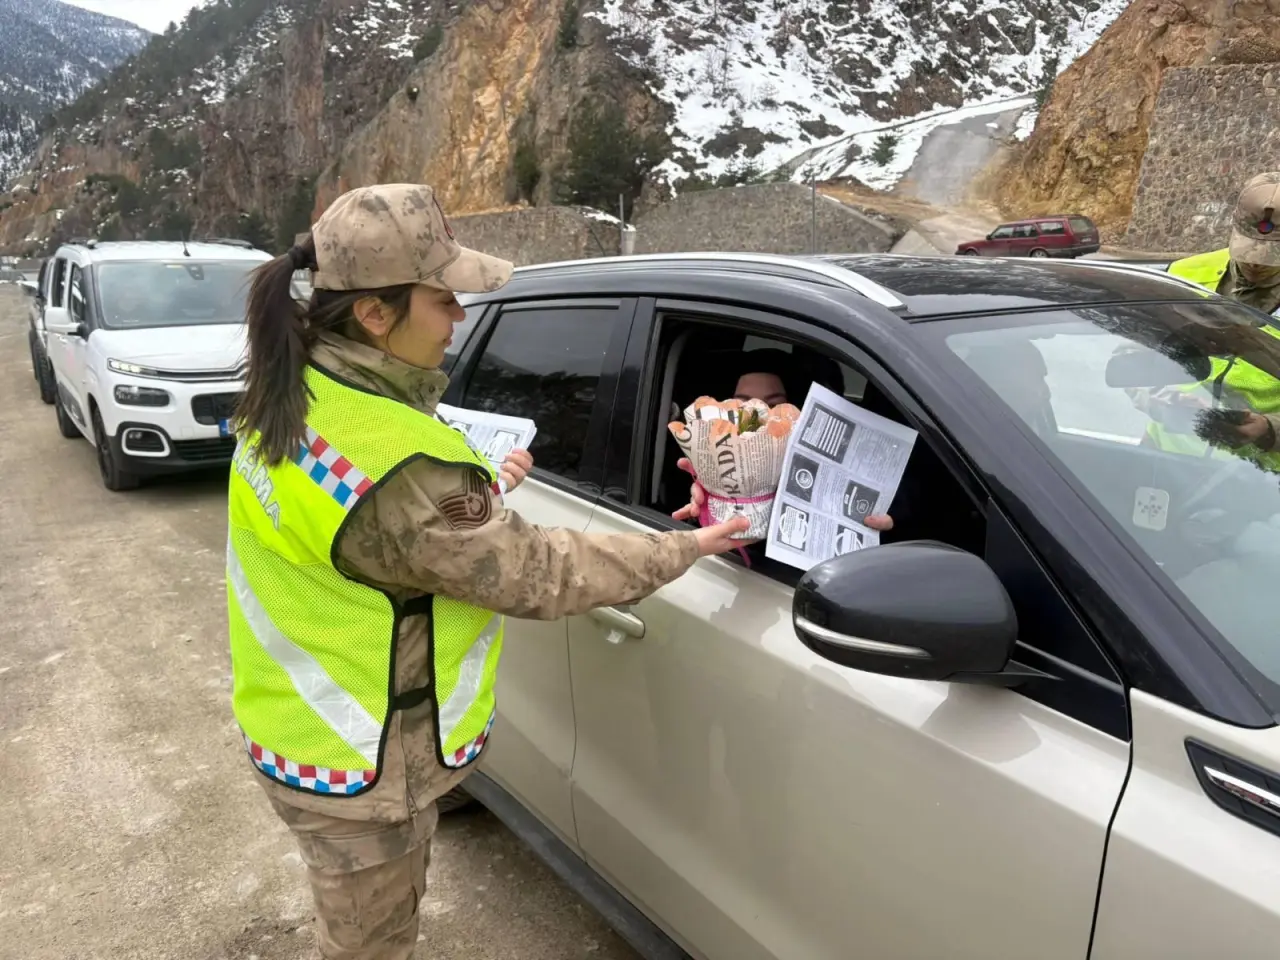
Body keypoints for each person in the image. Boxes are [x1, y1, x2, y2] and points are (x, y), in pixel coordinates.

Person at [226, 182, 750, 960]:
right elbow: (534, 571)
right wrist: (685, 548)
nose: (460, 321)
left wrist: (477, 491)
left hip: (300, 730)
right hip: (362, 767)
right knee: (371, 946)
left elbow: (384, 529)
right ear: (376, 313)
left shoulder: (302, 392)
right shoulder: (400, 469)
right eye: (444, 301)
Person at [672, 347, 896, 533]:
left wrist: (882, 523)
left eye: (772, 405)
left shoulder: (836, 467)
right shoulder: (709, 464)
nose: (756, 418)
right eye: (742, 404)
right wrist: (705, 507)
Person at [1142, 172, 1280, 457]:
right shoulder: (1183, 274)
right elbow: (1133, 355)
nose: (1255, 263)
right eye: (1248, 248)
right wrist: (1151, 398)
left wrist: (1269, 429)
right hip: (1160, 459)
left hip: (1255, 484)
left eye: (1270, 256)